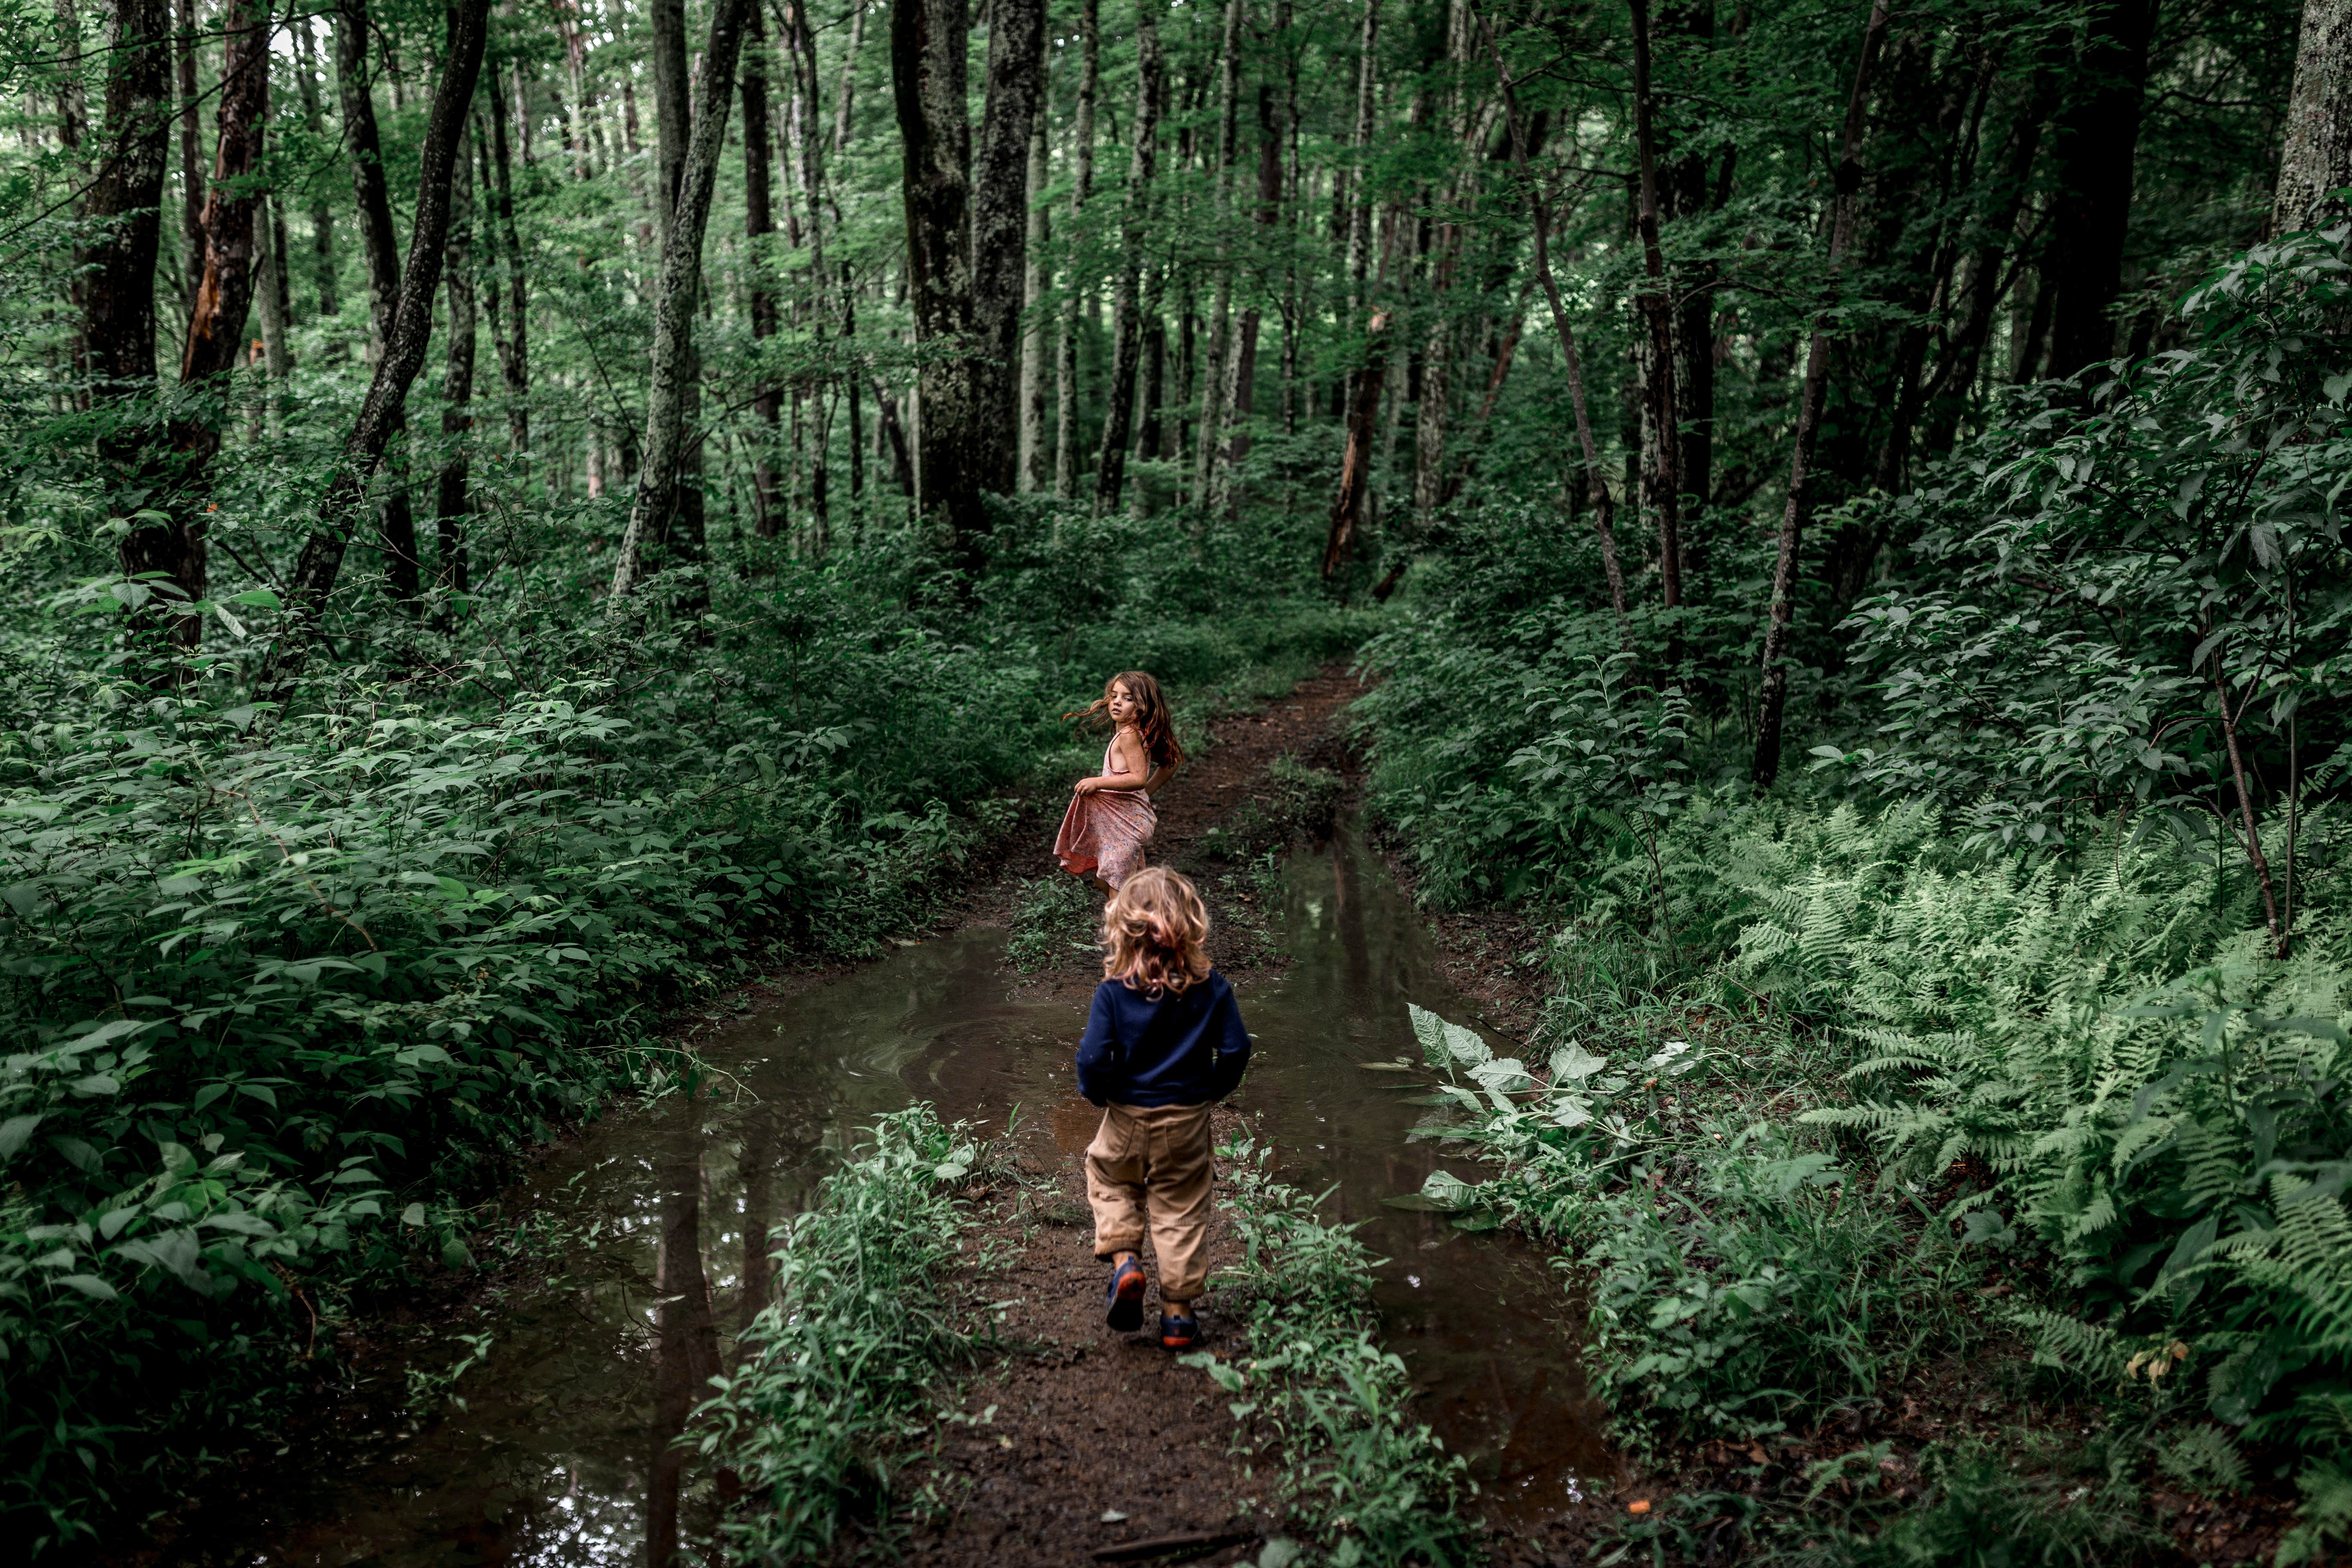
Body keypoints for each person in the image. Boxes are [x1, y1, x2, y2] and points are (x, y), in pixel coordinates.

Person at [1074, 867, 1251, 1351]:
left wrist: (1098, 1094)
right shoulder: (1213, 989)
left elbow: (1092, 1058)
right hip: (1188, 1122)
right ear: (1191, 926)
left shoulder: (1112, 994)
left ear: (1123, 931)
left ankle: (1127, 1262)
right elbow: (1235, 1051)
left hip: (1127, 1116)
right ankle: (1177, 1317)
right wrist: (1211, 1091)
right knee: (1181, 1209)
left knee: (1110, 1180)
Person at [1054, 671, 1183, 896]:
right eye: (1114, 696)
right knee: (1104, 881)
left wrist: (1098, 782)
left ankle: (1125, 927)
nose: (1117, 702)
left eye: (1127, 698)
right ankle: (1140, 919)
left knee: (1117, 886)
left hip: (1127, 824)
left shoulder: (1129, 734)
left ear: (1143, 705)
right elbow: (1171, 763)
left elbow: (1138, 778)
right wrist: (1145, 796)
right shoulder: (1134, 732)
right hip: (1124, 821)